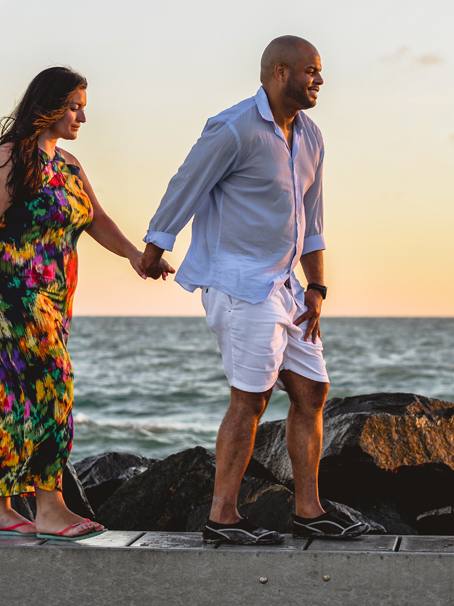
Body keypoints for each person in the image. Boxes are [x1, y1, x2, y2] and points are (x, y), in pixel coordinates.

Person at [139, 36, 367, 545]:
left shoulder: (311, 137)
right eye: (312, 71)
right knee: (252, 398)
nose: (320, 80)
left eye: (321, 71)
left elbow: (313, 218)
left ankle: (309, 511)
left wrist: (318, 285)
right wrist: (157, 243)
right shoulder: (234, 126)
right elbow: (187, 182)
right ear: (280, 72)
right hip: (240, 283)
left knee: (311, 391)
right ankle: (222, 518)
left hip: (288, 286)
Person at [0, 66, 172, 541]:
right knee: (54, 382)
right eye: (74, 106)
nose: (82, 115)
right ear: (48, 106)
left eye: (83, 106)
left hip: (54, 299)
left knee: (1, 392)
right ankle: (50, 505)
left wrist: (135, 256)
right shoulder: (11, 158)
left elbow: (96, 219)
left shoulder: (67, 166)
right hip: (11, 294)